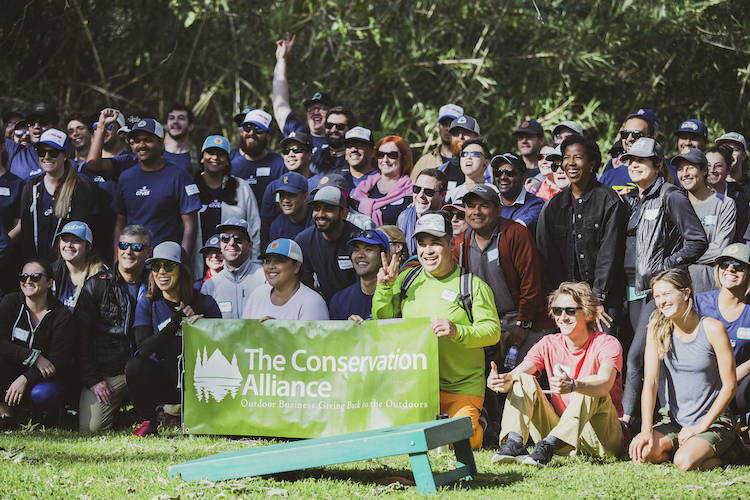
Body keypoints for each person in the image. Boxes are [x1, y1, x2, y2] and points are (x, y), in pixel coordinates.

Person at [373, 212, 500, 449]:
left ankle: (480, 421)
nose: (427, 251)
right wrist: (383, 289)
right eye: (422, 244)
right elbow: (385, 324)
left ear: (451, 244)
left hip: (461, 386)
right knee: (409, 441)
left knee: (462, 442)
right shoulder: (406, 280)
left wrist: (457, 331)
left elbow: (492, 331)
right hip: (417, 386)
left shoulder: (472, 285)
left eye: (435, 243)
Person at [454, 184, 552, 446]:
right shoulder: (462, 241)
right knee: (488, 376)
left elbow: (531, 281)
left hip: (522, 318)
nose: (476, 212)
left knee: (519, 374)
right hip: (484, 321)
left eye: (483, 205)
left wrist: (523, 323)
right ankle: (493, 428)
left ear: (498, 209)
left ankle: (528, 432)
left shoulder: (514, 233)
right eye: (471, 206)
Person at [620, 138, 708, 425]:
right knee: (649, 357)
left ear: (658, 165)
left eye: (641, 160)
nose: (634, 164)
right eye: (630, 160)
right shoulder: (635, 197)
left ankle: (628, 422)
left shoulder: (671, 195)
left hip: (656, 290)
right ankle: (653, 419)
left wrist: (664, 269)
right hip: (633, 290)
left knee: (636, 357)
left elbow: (697, 240)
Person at [487, 281, 625, 466]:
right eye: (558, 311)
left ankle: (549, 445)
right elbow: (518, 372)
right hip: (558, 437)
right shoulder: (549, 343)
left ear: (587, 312)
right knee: (522, 379)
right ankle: (514, 443)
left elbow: (605, 383)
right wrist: (504, 380)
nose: (562, 317)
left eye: (570, 311)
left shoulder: (607, 343)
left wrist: (575, 385)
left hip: (600, 438)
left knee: (590, 384)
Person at [629, 269, 745, 470]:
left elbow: (730, 386)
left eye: (666, 294)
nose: (661, 301)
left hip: (712, 420)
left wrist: (700, 427)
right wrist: (646, 429)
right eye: (657, 296)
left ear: (685, 293)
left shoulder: (712, 329)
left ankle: (732, 450)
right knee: (643, 454)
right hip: (674, 419)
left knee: (683, 463)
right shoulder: (657, 325)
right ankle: (688, 447)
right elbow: (651, 382)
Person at [127, 241, 221, 436]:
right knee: (135, 366)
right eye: (156, 266)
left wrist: (203, 330)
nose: (161, 272)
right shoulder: (148, 303)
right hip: (165, 381)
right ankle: (148, 421)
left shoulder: (205, 302)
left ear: (183, 270)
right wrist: (178, 321)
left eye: (168, 266)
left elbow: (222, 348)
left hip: (198, 382)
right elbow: (143, 349)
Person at [536, 135, 627, 335]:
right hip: (566, 298)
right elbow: (545, 254)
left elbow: (610, 253)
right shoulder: (554, 205)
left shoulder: (609, 200)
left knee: (603, 350)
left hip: (603, 297)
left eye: (578, 157)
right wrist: (560, 297)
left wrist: (596, 299)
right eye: (566, 157)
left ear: (592, 163)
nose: (571, 163)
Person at [88, 111, 201, 254]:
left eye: (147, 140)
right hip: (132, 258)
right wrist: (118, 259)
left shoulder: (178, 175)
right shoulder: (126, 177)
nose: (141, 145)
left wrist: (182, 259)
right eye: (136, 141)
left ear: (160, 142)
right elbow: (120, 223)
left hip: (164, 260)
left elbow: (190, 225)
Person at [75, 224, 152, 432]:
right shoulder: (97, 285)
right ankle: (125, 414)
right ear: (117, 248)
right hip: (108, 374)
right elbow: (81, 337)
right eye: (124, 245)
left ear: (148, 252)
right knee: (92, 429)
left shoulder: (157, 283)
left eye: (136, 247)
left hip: (147, 370)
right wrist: (94, 380)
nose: (128, 252)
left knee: (172, 412)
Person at [0, 258, 75, 429]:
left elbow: (58, 360)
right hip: (9, 371)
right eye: (23, 277)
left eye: (35, 277)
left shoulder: (62, 316)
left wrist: (26, 377)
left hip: (43, 379)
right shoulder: (10, 303)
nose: (28, 281)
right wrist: (34, 357)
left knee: (44, 394)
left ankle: (39, 416)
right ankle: (6, 415)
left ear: (49, 282)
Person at [20, 128, 96, 260]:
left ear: (65, 155)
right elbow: (25, 230)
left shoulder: (80, 186)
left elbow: (78, 234)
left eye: (53, 152)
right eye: (42, 152)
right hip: (36, 266)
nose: (47, 157)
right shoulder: (31, 186)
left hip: (67, 264)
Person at [193, 134, 261, 276]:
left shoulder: (241, 187)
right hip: (197, 267)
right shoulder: (190, 187)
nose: (215, 158)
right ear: (201, 157)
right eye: (211, 153)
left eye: (221, 154)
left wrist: (255, 266)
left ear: (228, 161)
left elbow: (254, 228)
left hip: (237, 268)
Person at [695, 244, 750, 417]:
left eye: (738, 266)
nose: (730, 270)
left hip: (737, 384)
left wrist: (729, 379)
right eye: (725, 264)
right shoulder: (699, 303)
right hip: (699, 381)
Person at [675, 148, 735, 294]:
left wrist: (681, 257)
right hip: (676, 285)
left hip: (708, 285)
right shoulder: (674, 203)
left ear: (703, 170)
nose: (685, 173)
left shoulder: (724, 203)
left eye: (690, 168)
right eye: (680, 169)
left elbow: (720, 249)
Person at [295, 186, 359, 302]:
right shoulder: (303, 241)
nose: (320, 214)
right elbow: (303, 285)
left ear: (344, 213)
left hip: (355, 306)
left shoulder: (358, 240)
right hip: (322, 306)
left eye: (328, 209)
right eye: (317, 208)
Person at [272, 32, 330, 153]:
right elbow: (280, 104)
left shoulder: (341, 140)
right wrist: (281, 60)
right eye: (311, 108)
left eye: (321, 107)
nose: (315, 112)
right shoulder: (299, 134)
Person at [242, 239, 328, 320]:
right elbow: (243, 332)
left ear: (297, 266)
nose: (271, 266)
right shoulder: (258, 294)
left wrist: (278, 329)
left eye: (279, 261)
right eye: (267, 261)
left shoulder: (312, 302)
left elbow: (315, 336)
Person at [200, 217, 265, 319]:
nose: (231, 243)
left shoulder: (264, 278)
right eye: (225, 238)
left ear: (250, 245)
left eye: (238, 238)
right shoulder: (209, 286)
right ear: (221, 244)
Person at [259, 131, 315, 245]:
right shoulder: (273, 187)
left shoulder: (320, 183)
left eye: (297, 150)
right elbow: (265, 227)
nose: (291, 154)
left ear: (309, 154)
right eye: (286, 151)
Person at [351, 136, 414, 226]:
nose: (385, 160)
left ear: (403, 158)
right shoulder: (364, 187)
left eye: (392, 155)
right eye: (380, 155)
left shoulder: (411, 190)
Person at [329, 229, 390, 321]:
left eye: (368, 249)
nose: (360, 255)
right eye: (356, 250)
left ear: (385, 256)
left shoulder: (397, 296)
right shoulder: (340, 300)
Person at [230, 109, 286, 203]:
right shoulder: (233, 166)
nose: (251, 133)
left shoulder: (279, 164)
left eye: (258, 129)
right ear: (241, 131)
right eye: (247, 128)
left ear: (268, 135)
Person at [52, 221, 106, 311]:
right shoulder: (52, 271)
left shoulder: (101, 277)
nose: (69, 245)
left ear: (88, 247)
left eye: (76, 240)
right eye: (65, 239)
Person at [599, 112, 658, 194]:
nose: (629, 138)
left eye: (637, 134)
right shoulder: (608, 176)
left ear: (651, 137)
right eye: (625, 134)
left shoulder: (666, 173)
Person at [397, 168, 448, 255]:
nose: (420, 195)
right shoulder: (404, 216)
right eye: (417, 189)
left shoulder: (452, 219)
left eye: (428, 192)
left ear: (443, 195)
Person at [491, 153, 544, 234]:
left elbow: (513, 232)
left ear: (524, 177)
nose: (503, 177)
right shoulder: (490, 202)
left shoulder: (536, 205)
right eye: (498, 173)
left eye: (510, 173)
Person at [705, 144, 749, 243]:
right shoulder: (692, 195)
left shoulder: (738, 196)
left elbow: (741, 234)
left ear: (728, 169)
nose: (712, 170)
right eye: (708, 166)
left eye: (718, 166)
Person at [412, 104, 464, 179]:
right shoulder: (424, 162)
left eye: (452, 124)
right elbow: (412, 188)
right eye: (444, 124)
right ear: (438, 126)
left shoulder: (469, 160)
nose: (448, 129)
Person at [0, 137, 23, 292]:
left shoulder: (17, 184)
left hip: (7, 263)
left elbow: (21, 225)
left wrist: (3, 245)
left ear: (2, 147)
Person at [267, 171, 312, 247]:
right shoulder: (277, 225)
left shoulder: (316, 219)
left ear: (305, 196)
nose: (285, 200)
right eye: (282, 195)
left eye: (291, 194)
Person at [309, 106, 356, 176]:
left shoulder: (356, 157)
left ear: (350, 129)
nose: (333, 130)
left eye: (340, 127)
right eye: (329, 125)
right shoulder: (317, 156)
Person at [439, 115, 481, 191]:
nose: (460, 136)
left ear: (477, 137)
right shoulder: (443, 170)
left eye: (466, 132)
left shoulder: (489, 168)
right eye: (456, 133)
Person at [446, 137, 493, 202]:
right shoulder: (452, 195)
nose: (468, 157)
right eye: (464, 154)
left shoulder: (495, 193)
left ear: (486, 162)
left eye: (475, 154)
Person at [163, 103, 196, 175]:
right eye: (171, 118)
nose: (175, 121)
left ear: (191, 126)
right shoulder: (154, 153)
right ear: (165, 125)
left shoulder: (197, 157)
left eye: (181, 118)